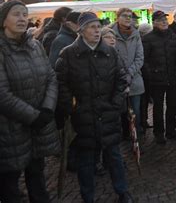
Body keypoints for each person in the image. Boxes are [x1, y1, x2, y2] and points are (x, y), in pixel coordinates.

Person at [55, 12, 133, 203]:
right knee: (86, 161)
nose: (97, 31)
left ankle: (122, 192)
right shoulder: (68, 54)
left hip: (108, 115)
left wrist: (115, 104)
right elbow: (61, 84)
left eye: (99, 26)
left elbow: (121, 80)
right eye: (92, 27)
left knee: (114, 158)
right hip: (84, 117)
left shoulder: (110, 52)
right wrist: (73, 108)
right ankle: (87, 197)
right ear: (81, 30)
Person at [0, 0, 60, 203]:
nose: (22, 18)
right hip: (10, 130)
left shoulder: (35, 46)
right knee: (10, 183)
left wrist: (47, 108)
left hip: (38, 126)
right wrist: (33, 116)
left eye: (25, 15)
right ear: (3, 20)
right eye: (16, 14)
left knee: (37, 178)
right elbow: (2, 94)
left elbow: (51, 77)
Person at [142, 10, 176, 144]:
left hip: (172, 77)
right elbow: (144, 60)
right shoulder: (148, 38)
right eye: (161, 20)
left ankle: (171, 130)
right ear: (154, 23)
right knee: (158, 107)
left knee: (172, 105)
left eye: (165, 19)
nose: (164, 22)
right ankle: (159, 133)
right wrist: (151, 73)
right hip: (156, 78)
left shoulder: (172, 36)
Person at [111, 8, 145, 137]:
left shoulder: (136, 35)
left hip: (134, 79)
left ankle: (135, 136)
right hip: (117, 80)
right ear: (117, 17)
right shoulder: (110, 34)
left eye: (130, 16)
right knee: (119, 111)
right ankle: (121, 135)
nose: (127, 18)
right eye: (124, 16)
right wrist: (121, 74)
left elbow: (140, 57)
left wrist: (130, 72)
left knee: (135, 111)